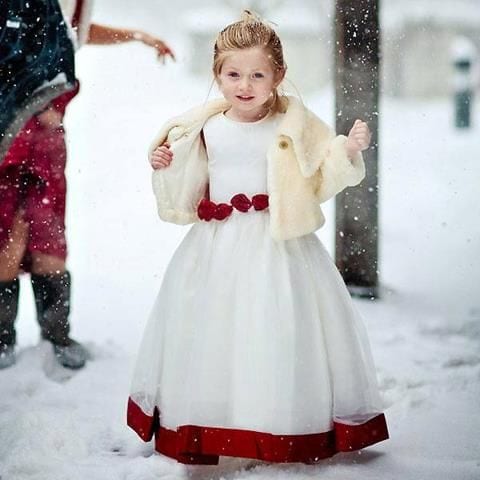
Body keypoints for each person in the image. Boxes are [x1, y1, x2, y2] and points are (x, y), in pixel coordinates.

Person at [127, 10, 388, 467]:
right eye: (233, 74)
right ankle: (213, 416)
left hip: (279, 245)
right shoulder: (203, 127)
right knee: (214, 331)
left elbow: (319, 177)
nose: (244, 85)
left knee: (277, 328)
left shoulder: (294, 126)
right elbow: (188, 187)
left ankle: (280, 421)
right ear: (217, 74)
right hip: (216, 247)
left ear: (278, 76)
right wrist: (166, 162)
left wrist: (345, 151)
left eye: (257, 74)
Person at [0, 0, 175, 370]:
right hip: (10, 133)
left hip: (47, 142)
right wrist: (27, 100)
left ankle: (56, 334)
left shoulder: (73, 5)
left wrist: (136, 36)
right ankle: (3, 338)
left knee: (49, 234)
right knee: (9, 236)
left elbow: (73, 33)